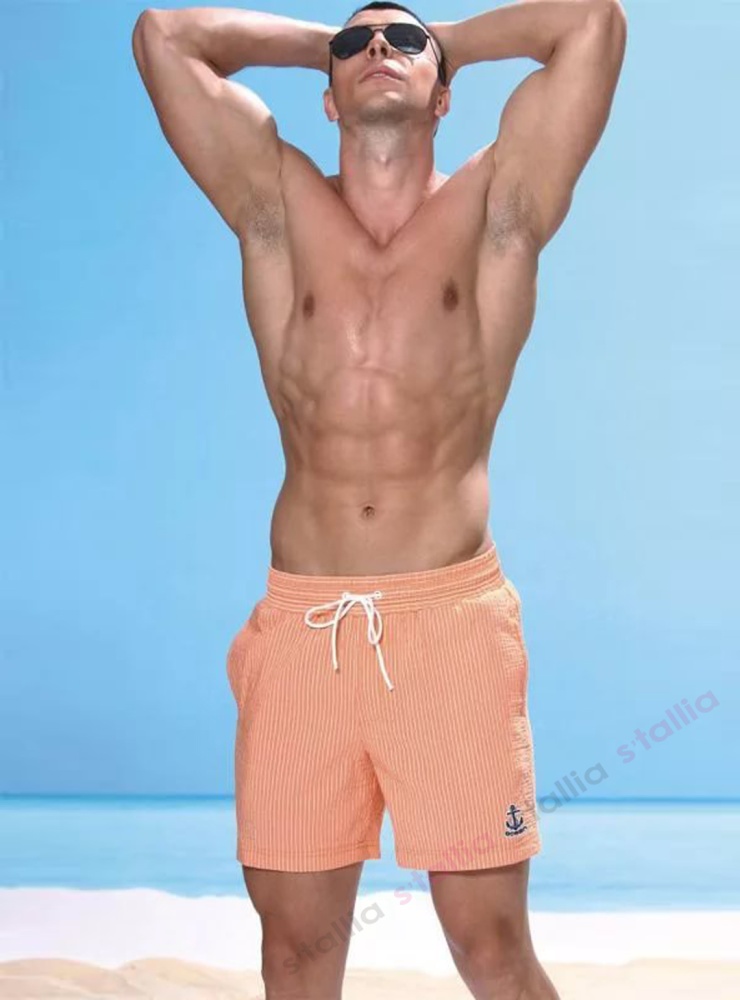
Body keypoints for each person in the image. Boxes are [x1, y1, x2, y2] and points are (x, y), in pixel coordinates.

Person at [132, 2, 626, 996]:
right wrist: (333, 43)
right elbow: (163, 36)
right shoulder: (274, 208)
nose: (377, 50)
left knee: (490, 948)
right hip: (304, 629)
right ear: (326, 97)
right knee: (294, 951)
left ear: (443, 97)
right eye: (355, 43)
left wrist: (440, 40)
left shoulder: (497, 210)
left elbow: (591, 21)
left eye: (399, 42)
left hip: (447, 624)